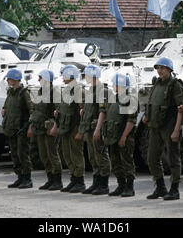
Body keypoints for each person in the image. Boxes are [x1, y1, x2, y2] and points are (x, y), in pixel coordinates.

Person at [142, 57, 183, 200]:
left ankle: (174, 189)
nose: (159, 71)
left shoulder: (175, 85)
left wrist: (176, 129)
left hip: (169, 125)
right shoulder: (157, 83)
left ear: (169, 69)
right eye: (158, 68)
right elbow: (152, 102)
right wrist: (146, 115)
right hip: (155, 126)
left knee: (173, 159)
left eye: (162, 68)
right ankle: (160, 187)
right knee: (152, 158)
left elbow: (181, 109)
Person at [50, 65, 86, 193]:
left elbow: (83, 112)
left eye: (64, 75)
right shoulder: (66, 90)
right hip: (65, 128)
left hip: (74, 127)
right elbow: (62, 108)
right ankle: (73, 179)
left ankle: (79, 181)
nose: (62, 77)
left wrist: (81, 131)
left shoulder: (78, 90)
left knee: (76, 155)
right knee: (67, 154)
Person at [77, 65, 111, 195]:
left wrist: (98, 129)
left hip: (97, 129)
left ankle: (104, 184)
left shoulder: (102, 90)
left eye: (86, 75)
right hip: (89, 129)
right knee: (93, 156)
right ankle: (96, 182)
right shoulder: (91, 90)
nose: (85, 77)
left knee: (101, 155)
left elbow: (103, 111)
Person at [102, 73, 137, 197]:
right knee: (116, 162)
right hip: (113, 137)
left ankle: (129, 187)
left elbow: (131, 120)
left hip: (123, 137)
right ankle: (121, 185)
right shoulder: (115, 99)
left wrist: (124, 136)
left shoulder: (129, 99)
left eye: (115, 83)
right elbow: (109, 118)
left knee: (126, 161)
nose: (113, 85)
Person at [28, 69, 63, 191]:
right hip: (40, 128)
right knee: (43, 155)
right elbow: (35, 110)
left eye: (40, 77)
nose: (38, 80)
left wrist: (56, 126)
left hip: (49, 128)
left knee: (52, 154)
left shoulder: (54, 92)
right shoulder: (40, 92)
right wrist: (31, 126)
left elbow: (59, 111)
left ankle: (57, 181)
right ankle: (50, 179)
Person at [3, 68, 34, 189]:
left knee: (23, 154)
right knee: (14, 154)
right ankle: (20, 177)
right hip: (11, 128)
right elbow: (6, 105)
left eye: (9, 79)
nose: (8, 81)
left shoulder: (24, 93)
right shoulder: (10, 92)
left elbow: (32, 109)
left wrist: (30, 127)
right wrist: (4, 109)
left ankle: (27, 179)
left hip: (21, 128)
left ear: (15, 79)